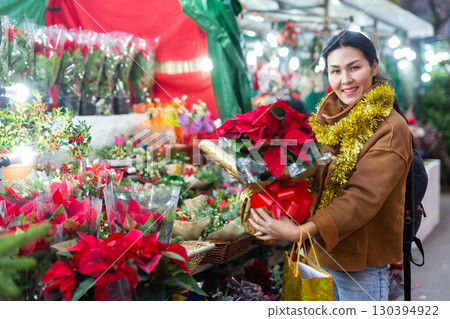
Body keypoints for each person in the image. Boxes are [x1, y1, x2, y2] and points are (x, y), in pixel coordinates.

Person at [249, 30, 413, 301]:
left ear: (373, 67)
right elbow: (309, 175)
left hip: (360, 266)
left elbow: (361, 199)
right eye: (335, 71)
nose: (345, 80)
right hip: (315, 254)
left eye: (354, 68)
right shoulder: (327, 119)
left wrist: (300, 232)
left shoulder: (391, 130)